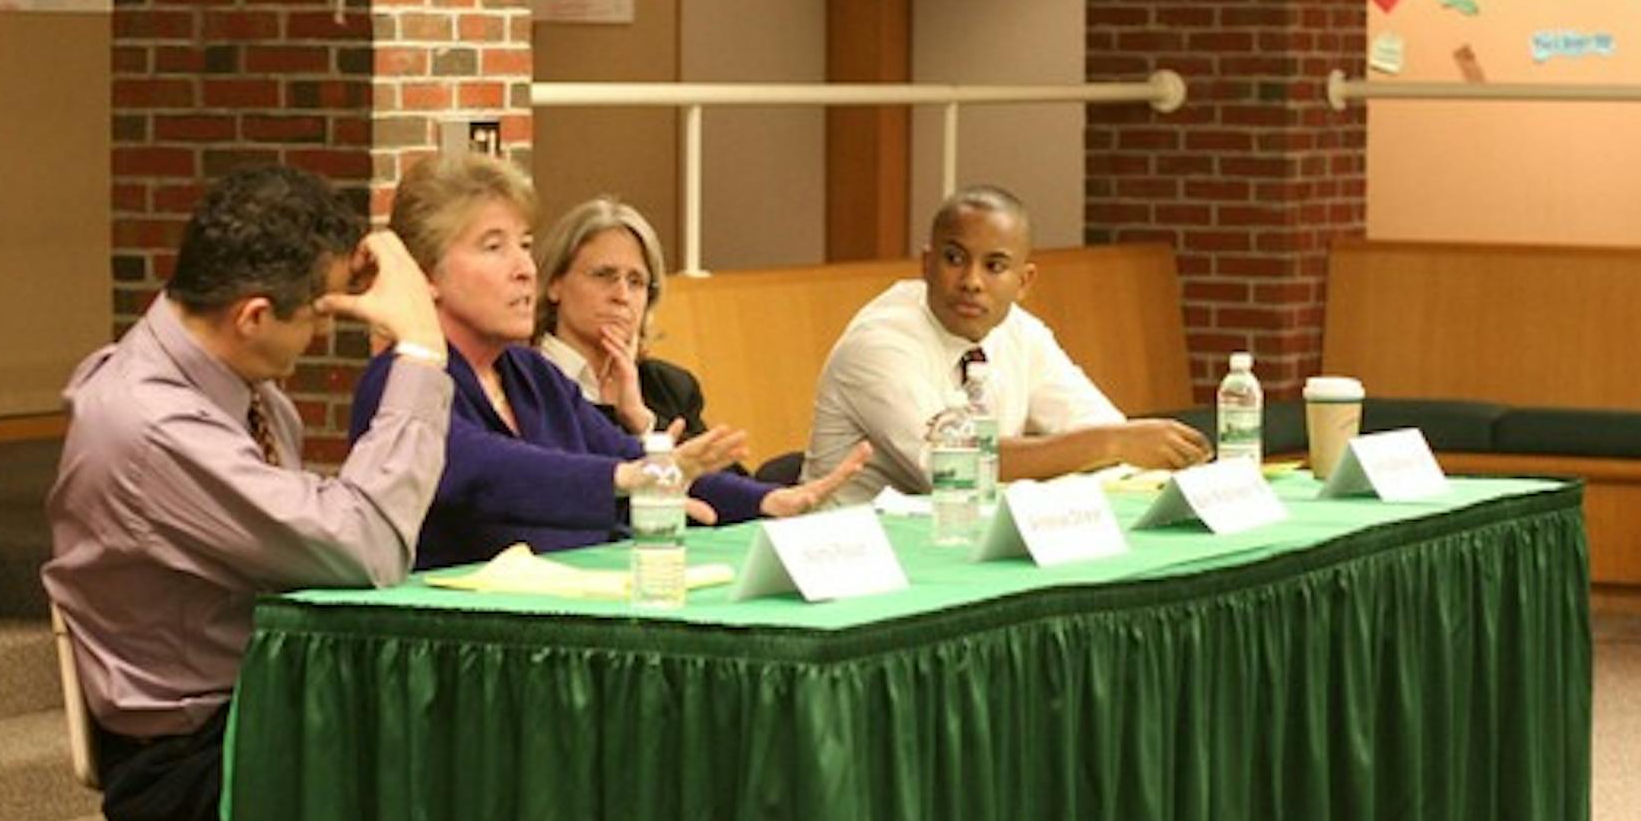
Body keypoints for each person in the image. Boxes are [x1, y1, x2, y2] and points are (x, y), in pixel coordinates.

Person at [42, 164, 455, 821]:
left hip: (264, 699)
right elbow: (366, 548)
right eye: (322, 313)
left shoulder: (235, 388)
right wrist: (420, 351)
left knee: (484, 728)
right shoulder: (152, 425)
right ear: (254, 315)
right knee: (467, 767)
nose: (324, 334)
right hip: (191, 751)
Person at [348, 152, 867, 569]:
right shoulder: (399, 381)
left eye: (525, 245)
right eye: (493, 247)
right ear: (426, 273)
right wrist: (626, 480)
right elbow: (488, 470)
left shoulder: (532, 376)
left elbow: (635, 460)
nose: (524, 268)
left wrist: (766, 502)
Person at [802, 184, 1210, 505]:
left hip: (956, 539)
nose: (971, 281)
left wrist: (1120, 442)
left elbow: (1094, 424)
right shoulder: (880, 341)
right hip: (847, 551)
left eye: (994, 266)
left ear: (1024, 281)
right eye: (954, 259)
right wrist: (1108, 444)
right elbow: (954, 467)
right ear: (926, 264)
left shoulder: (1020, 331)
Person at [533, 195, 713, 439]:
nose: (622, 295)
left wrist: (642, 422)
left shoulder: (668, 387)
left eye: (636, 282)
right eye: (603, 275)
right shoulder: (521, 380)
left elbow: (727, 475)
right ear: (555, 283)